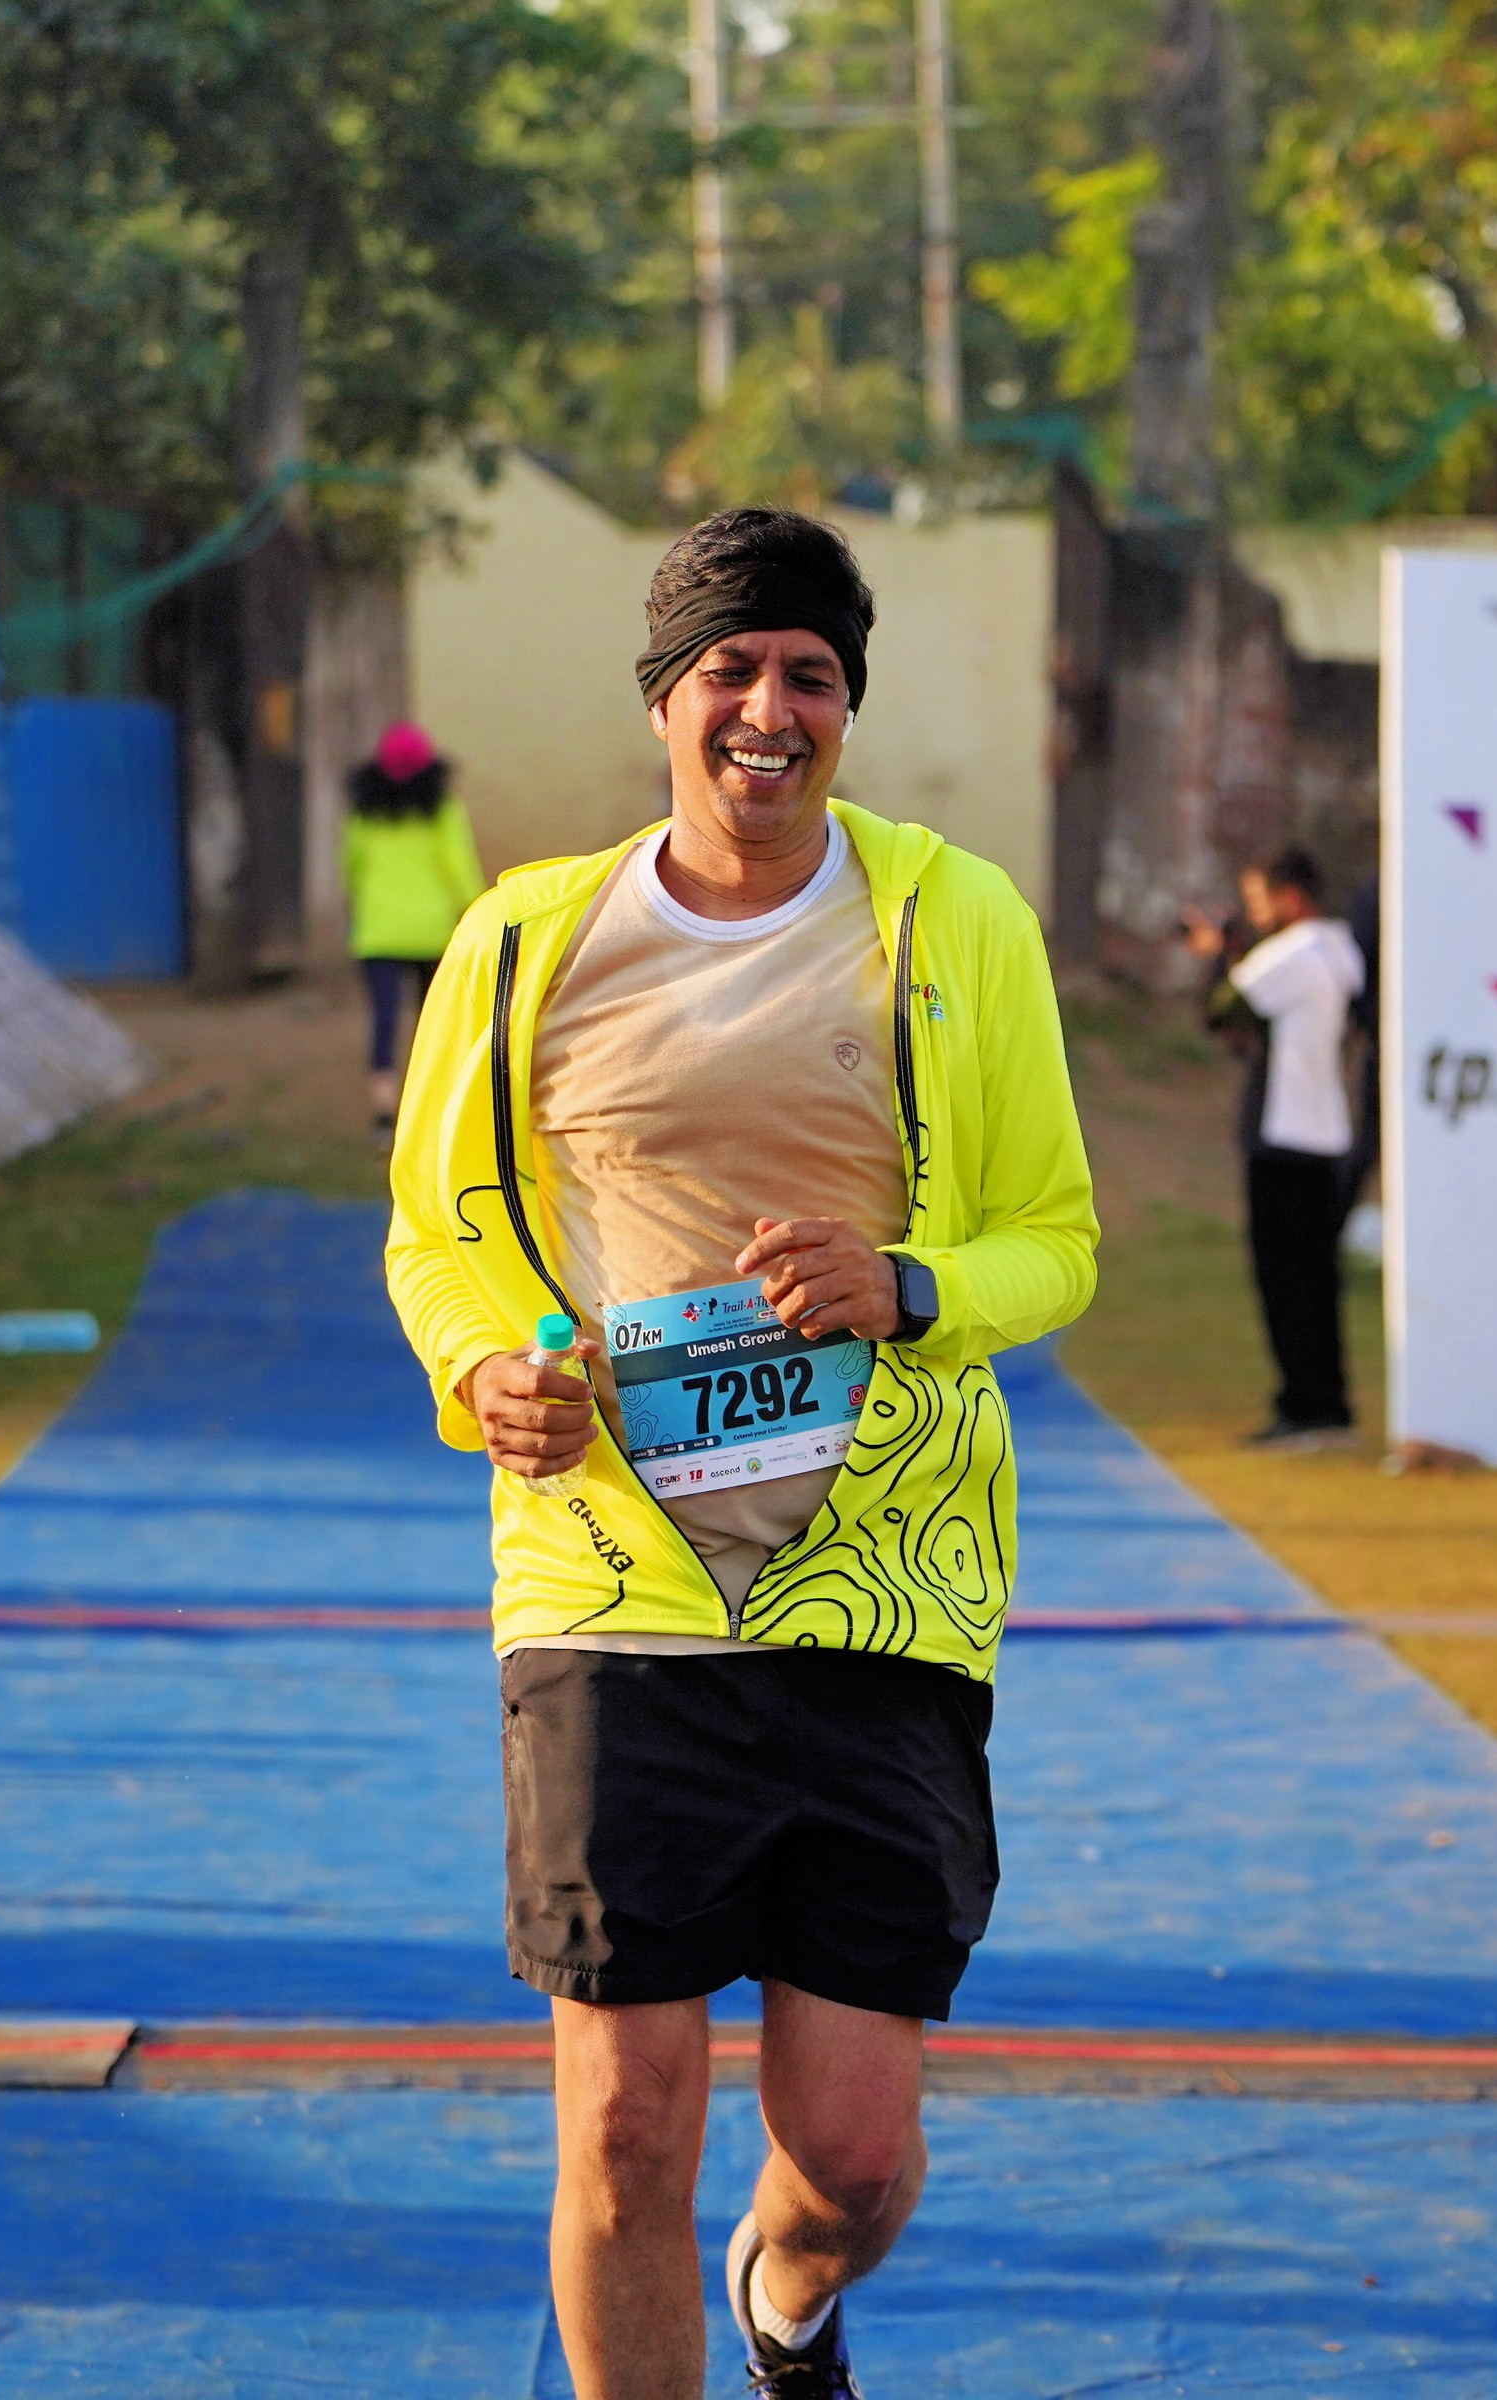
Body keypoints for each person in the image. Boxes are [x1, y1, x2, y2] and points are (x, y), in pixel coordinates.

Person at [384, 506, 1099, 2399]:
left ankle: (788, 2305)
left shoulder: (957, 919)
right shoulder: (527, 940)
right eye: (732, 671)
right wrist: (483, 1373)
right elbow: (435, 1232)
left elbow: (1058, 1240)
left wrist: (913, 1284)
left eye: (810, 676)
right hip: (609, 1582)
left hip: (884, 1587)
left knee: (851, 2155)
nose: (769, 710)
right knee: (624, 2126)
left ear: (848, 705)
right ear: (664, 699)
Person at [1181, 848, 1368, 1448]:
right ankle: (1329, 1404)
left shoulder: (1294, 953)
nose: (1257, 915)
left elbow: (1223, 1008)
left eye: (1260, 902)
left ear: (1290, 896)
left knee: (1285, 1283)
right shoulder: (1340, 950)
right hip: (1327, 1133)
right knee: (1319, 1282)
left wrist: (1220, 954)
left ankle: (1304, 1407)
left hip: (1284, 1136)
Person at [343, 720, 486, 1146]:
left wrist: (361, 912)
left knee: (384, 1020)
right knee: (436, 1023)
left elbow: (352, 867)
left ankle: (383, 1115)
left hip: (378, 933)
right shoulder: (443, 810)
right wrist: (478, 912)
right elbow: (460, 868)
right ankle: (434, 1112)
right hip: (433, 934)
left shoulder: (364, 813)